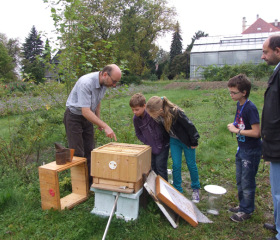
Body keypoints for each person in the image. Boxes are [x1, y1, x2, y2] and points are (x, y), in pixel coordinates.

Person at [63, 64, 121, 186]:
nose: (114, 85)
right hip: (74, 117)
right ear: (105, 74)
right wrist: (105, 126)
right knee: (78, 153)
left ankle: (90, 185)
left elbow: (97, 102)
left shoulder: (104, 83)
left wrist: (98, 120)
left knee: (90, 151)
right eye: (114, 81)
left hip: (87, 118)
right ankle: (80, 188)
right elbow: (85, 111)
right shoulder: (86, 83)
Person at [146, 96, 201, 203]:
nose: (151, 116)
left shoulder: (176, 112)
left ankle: (195, 188)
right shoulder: (159, 116)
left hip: (187, 141)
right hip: (174, 141)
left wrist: (194, 141)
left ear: (160, 110)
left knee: (191, 164)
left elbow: (190, 126)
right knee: (176, 165)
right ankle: (177, 190)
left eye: (152, 113)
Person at [226, 74, 262, 223]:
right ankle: (242, 205)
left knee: (247, 182)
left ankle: (247, 211)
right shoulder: (239, 105)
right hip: (241, 149)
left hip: (251, 151)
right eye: (230, 92)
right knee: (240, 180)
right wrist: (236, 126)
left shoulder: (250, 108)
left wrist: (237, 131)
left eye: (234, 92)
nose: (231, 95)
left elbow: (257, 132)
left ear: (244, 92)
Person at [261, 34, 280, 240]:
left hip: (278, 143)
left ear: (278, 51)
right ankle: (278, 224)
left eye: (265, 52)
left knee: (279, 192)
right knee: (277, 189)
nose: (262, 56)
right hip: (274, 142)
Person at [129, 93, 170, 181]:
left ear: (144, 106)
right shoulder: (136, 119)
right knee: (152, 167)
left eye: (136, 109)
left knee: (160, 167)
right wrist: (147, 142)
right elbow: (138, 133)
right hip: (150, 147)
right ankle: (155, 189)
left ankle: (164, 190)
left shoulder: (153, 114)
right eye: (132, 110)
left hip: (163, 145)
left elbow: (164, 129)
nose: (134, 112)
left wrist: (163, 141)